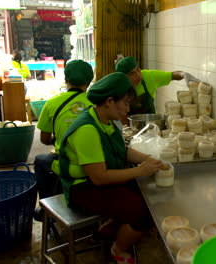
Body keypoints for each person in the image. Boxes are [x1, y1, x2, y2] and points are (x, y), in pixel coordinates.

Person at [56, 72, 163, 263]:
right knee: (142, 211)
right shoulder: (87, 129)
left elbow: (122, 151)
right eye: (125, 103)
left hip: (97, 183)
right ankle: (118, 249)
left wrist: (148, 159)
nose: (127, 109)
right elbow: (99, 177)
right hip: (82, 188)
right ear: (109, 101)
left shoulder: (105, 121)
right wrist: (140, 170)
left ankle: (109, 228)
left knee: (148, 194)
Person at [33, 60, 94, 214]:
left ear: (66, 80)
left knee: (40, 161)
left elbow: (44, 140)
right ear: (89, 81)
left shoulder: (52, 103)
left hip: (69, 164)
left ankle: (46, 208)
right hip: (97, 164)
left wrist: (60, 139)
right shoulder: (97, 103)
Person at [115, 56, 199, 121]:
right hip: (130, 127)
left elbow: (172, 75)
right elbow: (119, 116)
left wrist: (183, 74)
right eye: (132, 73)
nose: (138, 75)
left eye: (138, 70)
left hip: (152, 125)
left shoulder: (148, 76)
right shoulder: (118, 88)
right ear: (123, 77)